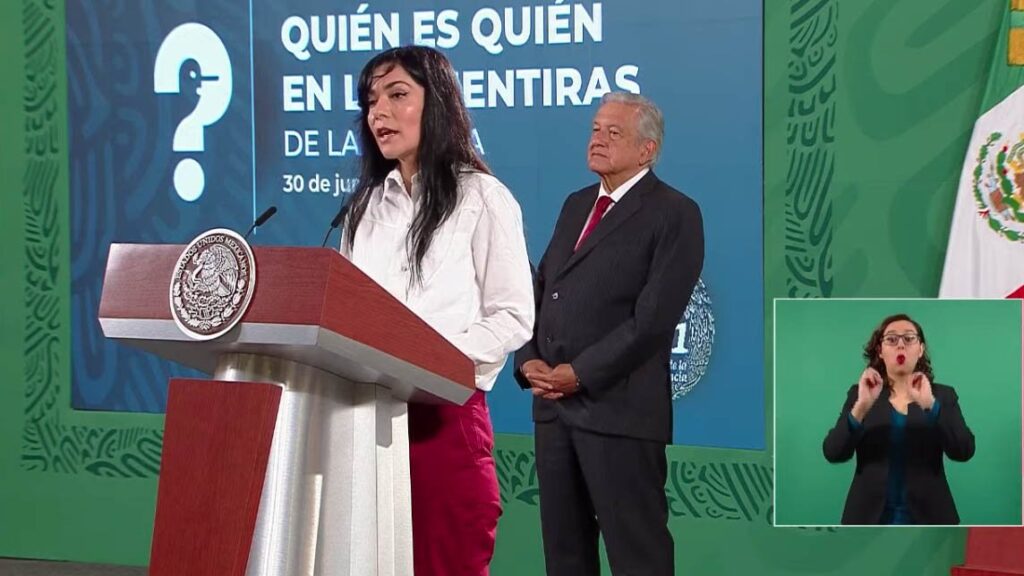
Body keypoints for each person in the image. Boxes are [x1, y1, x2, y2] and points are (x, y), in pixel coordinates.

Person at [340, 46, 534, 575]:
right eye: (371, 101)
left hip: (444, 419)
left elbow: (514, 314)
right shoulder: (363, 209)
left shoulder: (482, 197)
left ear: (439, 103)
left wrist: (428, 358)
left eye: (397, 95)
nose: (379, 112)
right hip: (366, 419)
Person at [513, 92, 704, 575]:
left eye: (613, 133)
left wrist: (579, 374)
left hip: (620, 414)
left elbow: (652, 322)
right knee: (565, 558)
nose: (597, 139)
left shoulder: (675, 213)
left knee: (638, 558)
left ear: (647, 150)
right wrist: (527, 357)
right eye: (595, 129)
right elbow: (541, 290)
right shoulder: (576, 204)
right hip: (554, 415)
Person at [822, 313, 975, 525]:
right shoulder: (859, 394)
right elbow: (833, 452)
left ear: (920, 349)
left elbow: (963, 451)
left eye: (909, 338)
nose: (900, 345)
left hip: (929, 520)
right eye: (892, 339)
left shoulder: (942, 396)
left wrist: (931, 405)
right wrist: (862, 406)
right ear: (880, 351)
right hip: (868, 521)